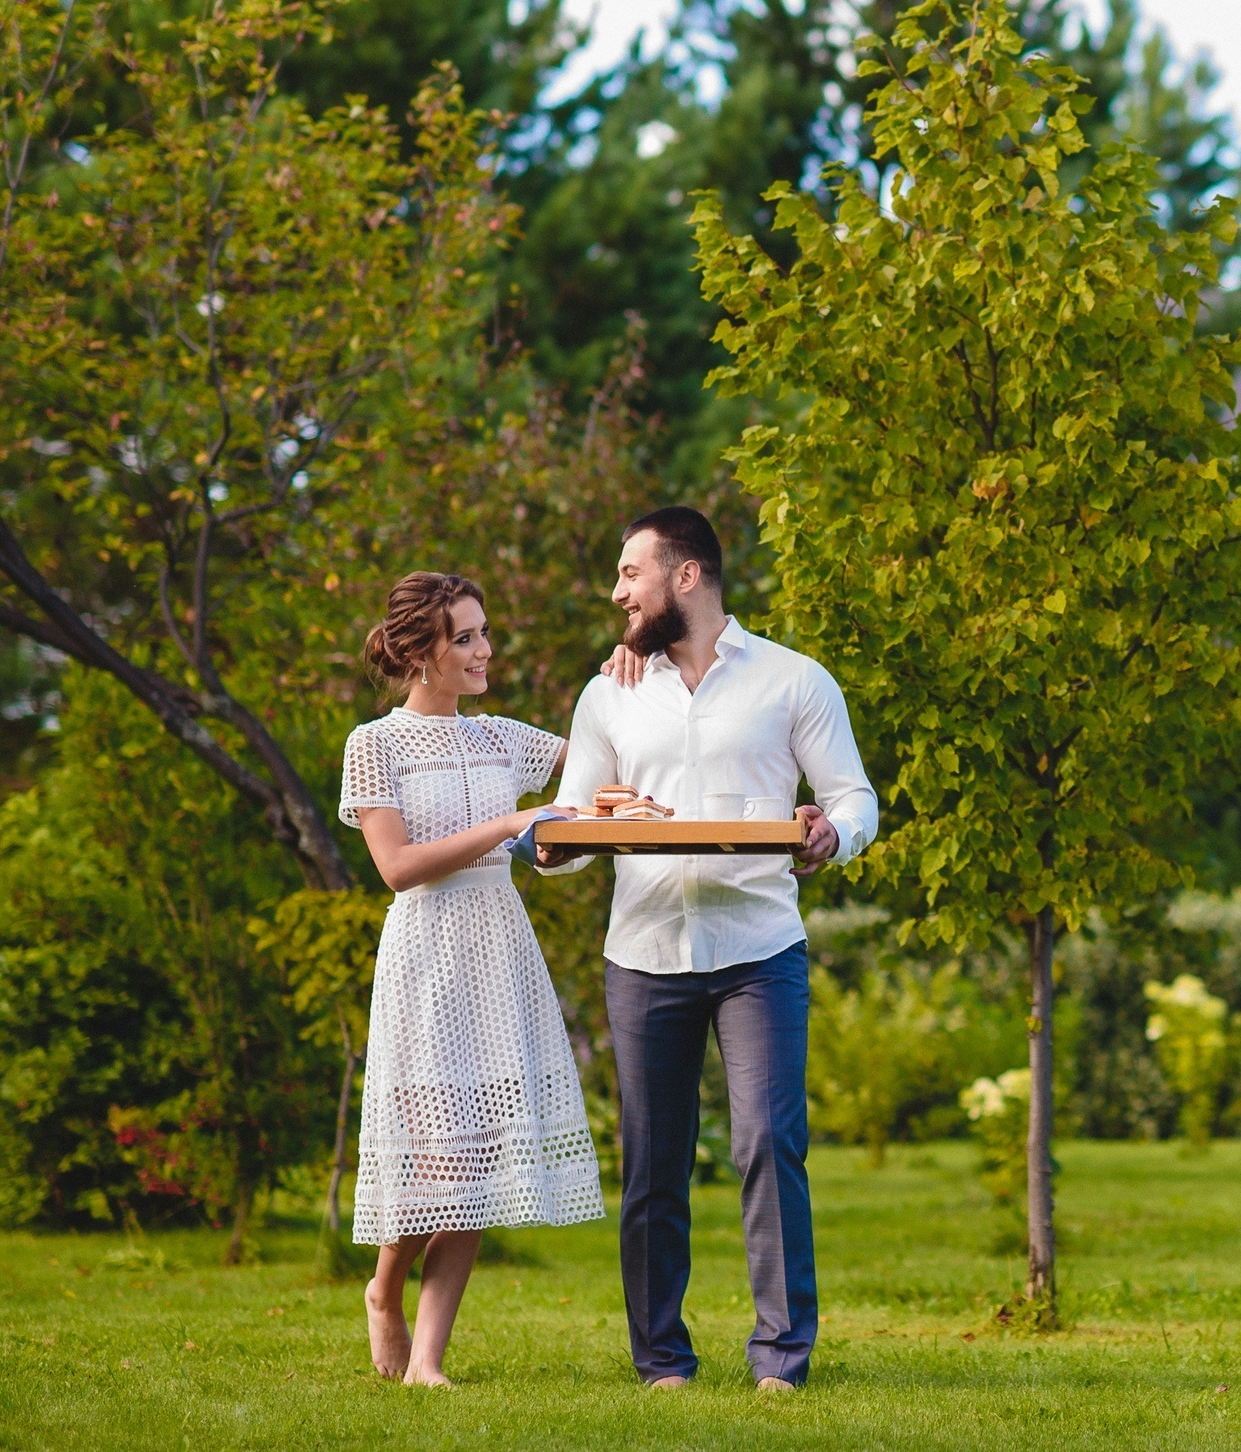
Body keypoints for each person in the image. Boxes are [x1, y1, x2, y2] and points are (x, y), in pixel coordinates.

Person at [535, 505, 876, 1393]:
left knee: (768, 1143)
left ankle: (781, 1360)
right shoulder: (608, 692)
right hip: (643, 951)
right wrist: (554, 843)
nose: (616, 592)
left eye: (629, 573)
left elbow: (853, 797)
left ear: (686, 576)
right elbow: (575, 820)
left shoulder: (795, 681)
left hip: (760, 948)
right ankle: (662, 1362)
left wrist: (830, 833)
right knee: (652, 1159)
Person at [337, 572, 604, 1386]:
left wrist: (628, 682)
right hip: (425, 959)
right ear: (421, 651)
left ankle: (427, 1362)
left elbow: (600, 771)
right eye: (465, 637)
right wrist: (514, 821)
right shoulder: (374, 743)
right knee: (433, 1160)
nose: (484, 649)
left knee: (482, 1160)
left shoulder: (502, 738)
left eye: (484, 632)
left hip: (500, 952)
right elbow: (397, 866)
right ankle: (384, 1288)